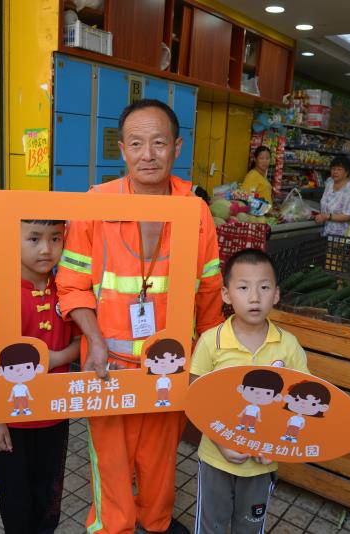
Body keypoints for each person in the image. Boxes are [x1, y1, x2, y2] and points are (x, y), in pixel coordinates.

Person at [56, 98, 224, 534]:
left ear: (177, 147)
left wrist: (206, 363)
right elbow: (71, 285)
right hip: (108, 367)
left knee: (160, 461)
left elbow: (209, 292)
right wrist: (94, 342)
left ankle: (156, 523)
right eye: (136, 144)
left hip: (170, 366)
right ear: (122, 149)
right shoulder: (95, 203)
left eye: (159, 143)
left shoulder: (196, 211)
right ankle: (112, 528)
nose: (147, 154)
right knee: (111, 463)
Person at [190, 248, 311, 534]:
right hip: (216, 459)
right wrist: (221, 442)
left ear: (276, 294)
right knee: (210, 526)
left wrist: (276, 445)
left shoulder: (288, 345)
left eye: (264, 288)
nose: (255, 297)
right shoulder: (211, 342)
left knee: (250, 527)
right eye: (243, 288)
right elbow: (195, 397)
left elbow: (300, 403)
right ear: (226, 294)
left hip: (262, 464)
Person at [0, 219, 80, 533]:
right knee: (15, 498)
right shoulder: (2, 294)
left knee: (49, 494)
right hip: (13, 421)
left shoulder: (69, 291)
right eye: (34, 238)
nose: (46, 249)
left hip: (55, 413)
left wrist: (56, 358)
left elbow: (80, 341)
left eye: (55, 238)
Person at [314, 155, 350, 237]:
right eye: (333, 169)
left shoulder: (349, 190)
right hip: (325, 231)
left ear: (346, 172)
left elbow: (347, 216)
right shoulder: (329, 182)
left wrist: (327, 216)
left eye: (339, 169)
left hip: (340, 235)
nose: (335, 172)